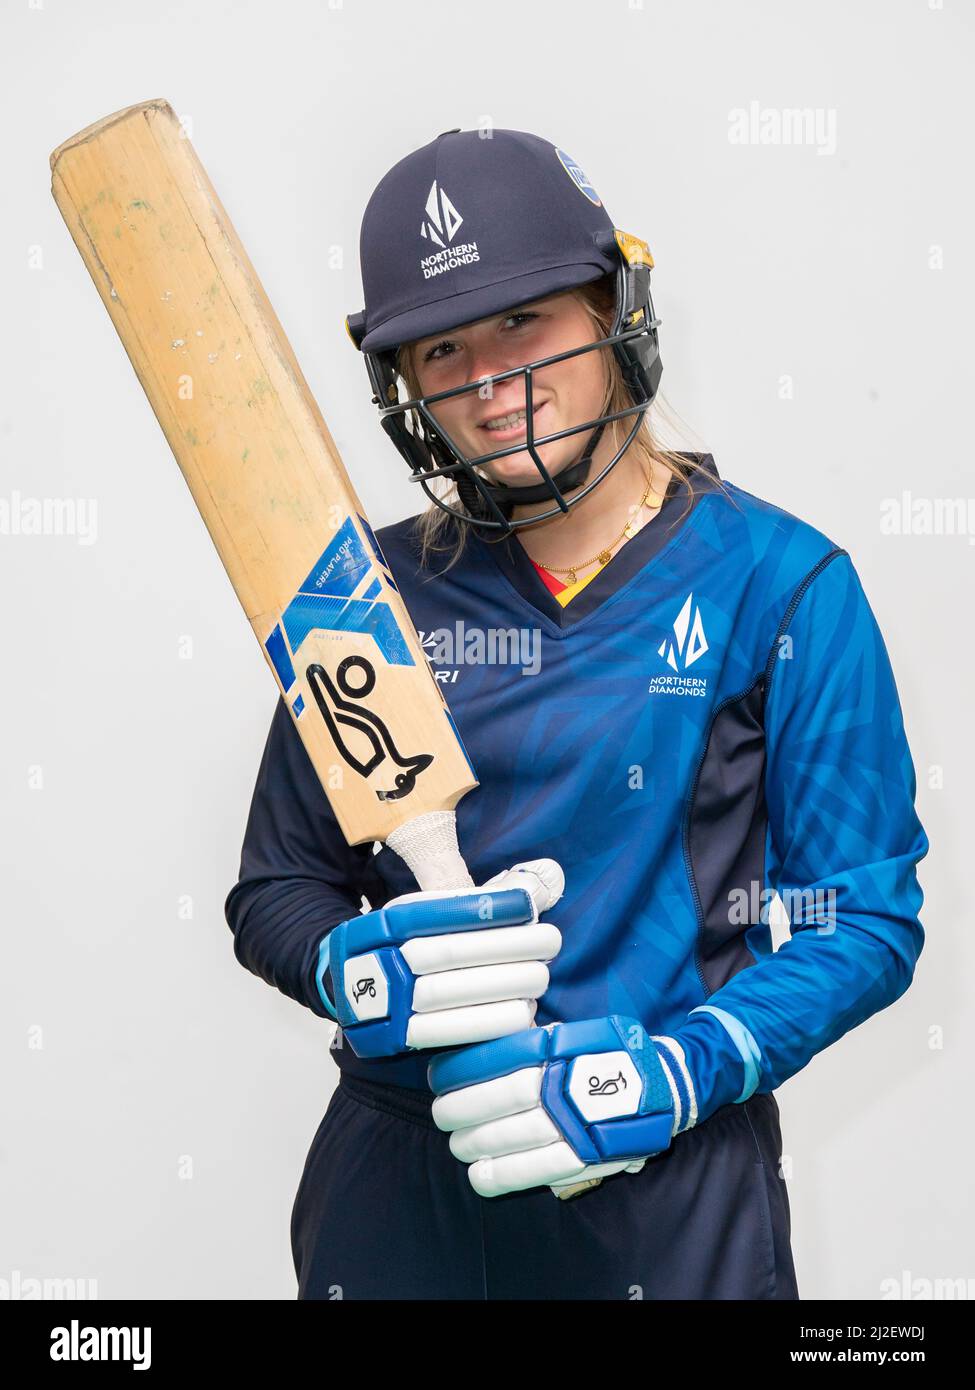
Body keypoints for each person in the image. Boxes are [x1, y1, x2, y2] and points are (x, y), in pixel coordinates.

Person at [224, 128, 928, 1300]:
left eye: (525, 320)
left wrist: (684, 1066)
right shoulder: (358, 601)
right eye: (441, 348)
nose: (492, 384)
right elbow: (275, 887)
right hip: (401, 1196)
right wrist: (352, 968)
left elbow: (863, 917)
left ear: (615, 308)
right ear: (401, 387)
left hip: (668, 1186)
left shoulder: (781, 582)